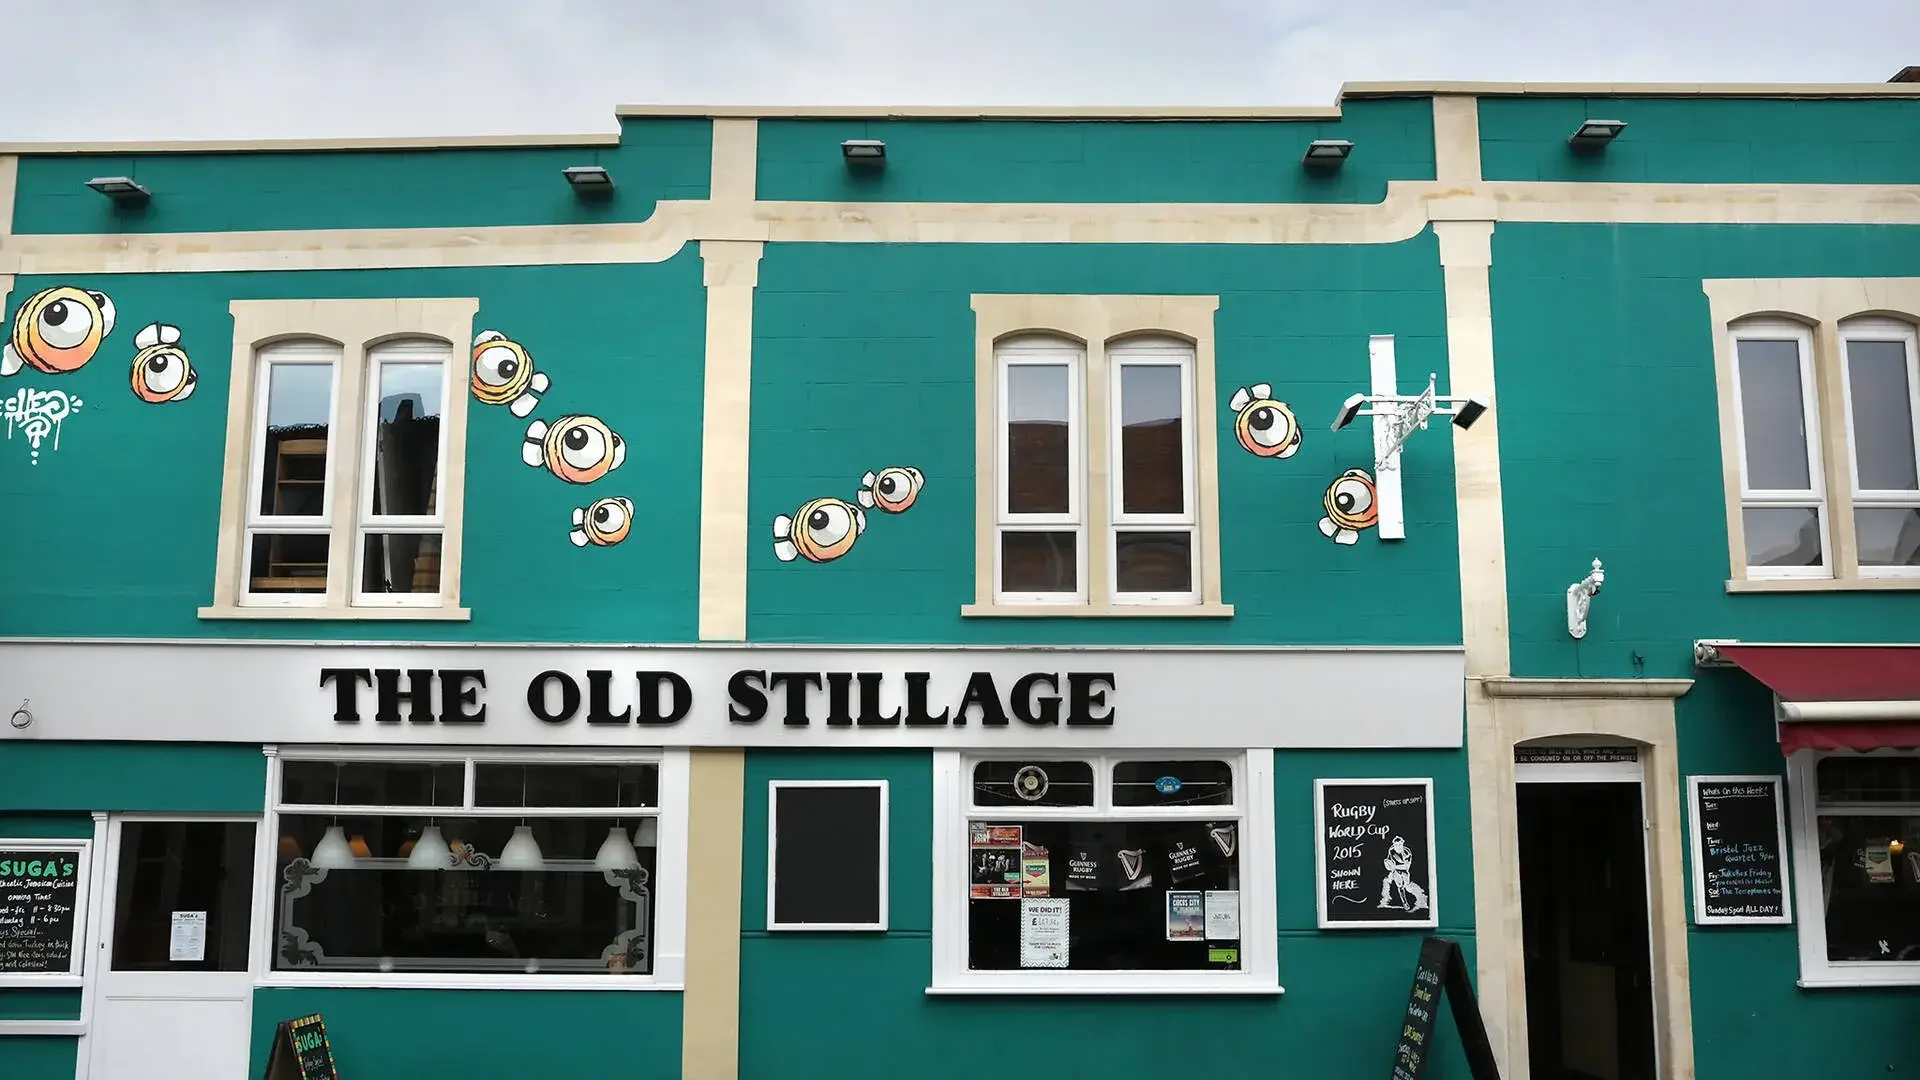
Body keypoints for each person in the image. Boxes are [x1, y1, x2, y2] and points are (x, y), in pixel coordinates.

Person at [1380, 836, 1429, 912]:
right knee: (1400, 886)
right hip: (1396, 872)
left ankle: (1419, 897)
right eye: (1396, 845)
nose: (1398, 846)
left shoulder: (1407, 852)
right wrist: (1389, 865)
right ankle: (1404, 901)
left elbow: (1407, 866)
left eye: (1399, 844)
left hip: (1404, 871)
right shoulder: (1391, 850)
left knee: (1406, 886)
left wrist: (1394, 867)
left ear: (1402, 844)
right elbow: (1389, 861)